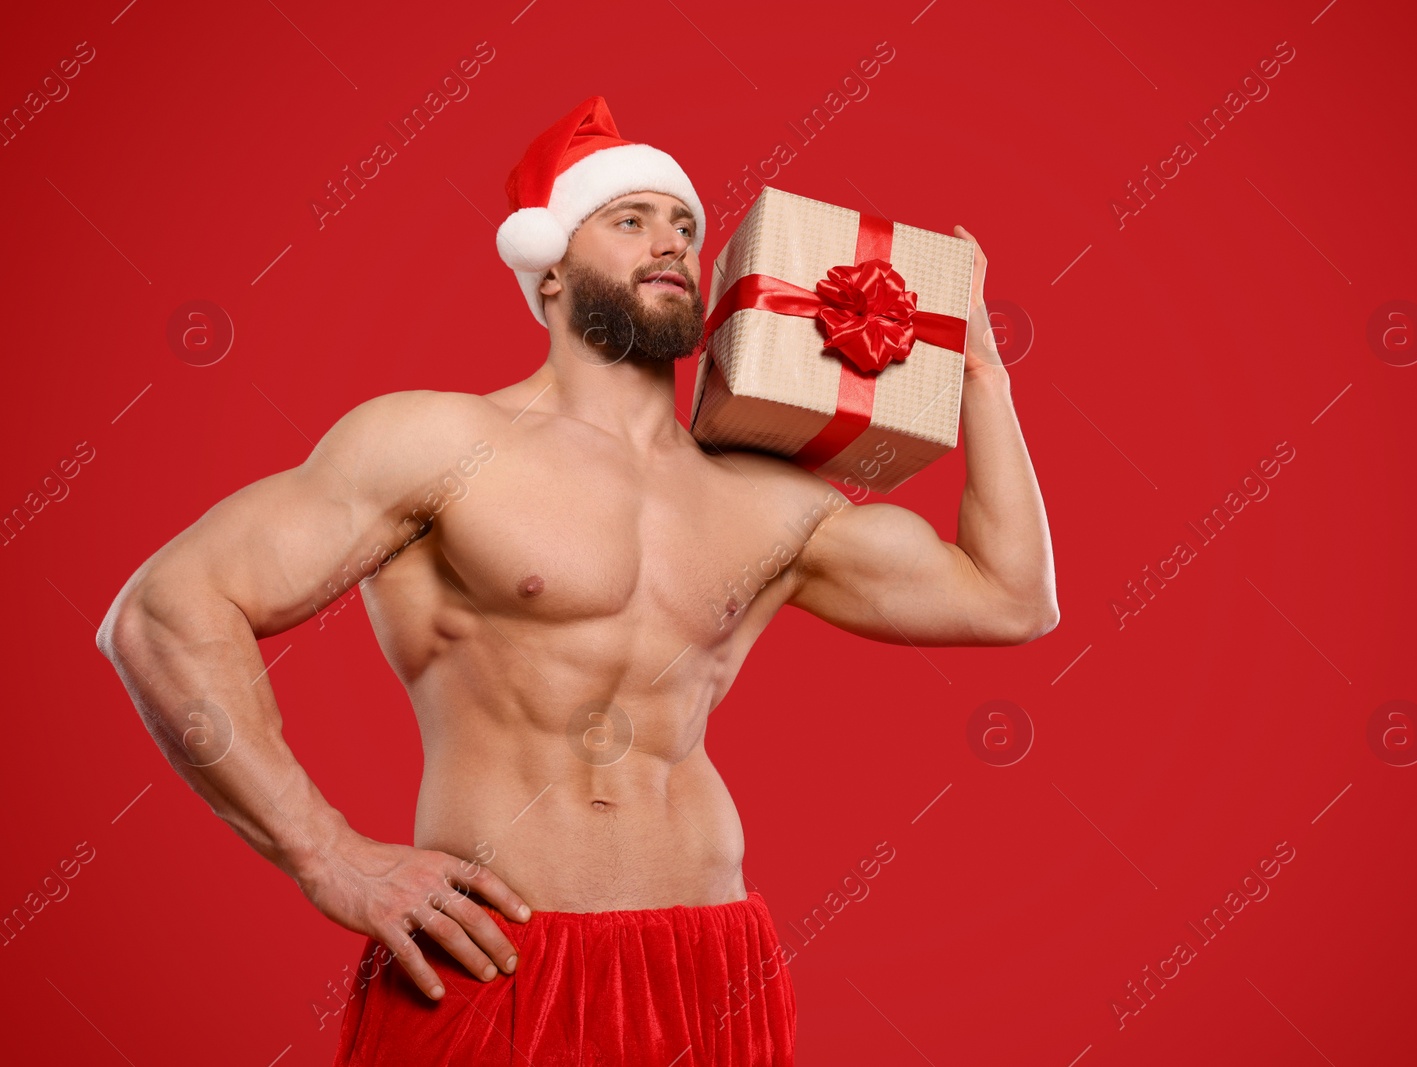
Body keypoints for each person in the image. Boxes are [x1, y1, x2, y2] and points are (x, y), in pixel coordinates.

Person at [95, 95, 1058, 1066]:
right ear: (548, 265)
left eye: (685, 224)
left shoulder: (766, 499)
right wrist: (326, 851)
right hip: (501, 957)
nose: (670, 242)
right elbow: (166, 611)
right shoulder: (439, 442)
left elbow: (1008, 596)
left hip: (713, 963)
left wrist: (979, 373)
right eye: (629, 218)